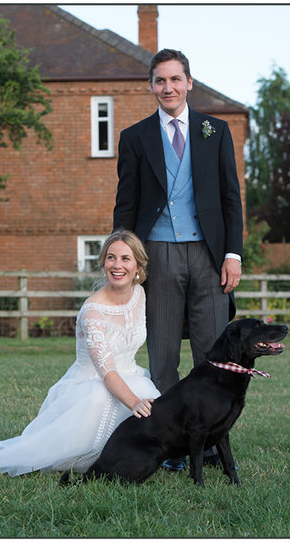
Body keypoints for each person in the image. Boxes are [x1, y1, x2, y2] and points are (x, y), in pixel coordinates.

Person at [112, 49, 244, 471]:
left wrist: (232, 253)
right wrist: (126, 256)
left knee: (212, 353)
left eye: (174, 79)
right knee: (163, 354)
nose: (167, 87)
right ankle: (168, 445)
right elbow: (126, 205)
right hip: (159, 254)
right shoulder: (135, 137)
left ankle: (208, 446)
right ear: (151, 86)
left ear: (189, 82)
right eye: (159, 80)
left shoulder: (215, 130)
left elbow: (229, 198)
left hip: (209, 254)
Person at [0, 230, 161, 476]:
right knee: (107, 396)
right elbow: (107, 372)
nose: (117, 265)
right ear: (103, 263)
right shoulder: (93, 311)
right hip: (91, 384)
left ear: (138, 265)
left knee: (147, 391)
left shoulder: (139, 294)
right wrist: (134, 403)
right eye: (111, 258)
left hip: (131, 375)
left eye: (125, 258)